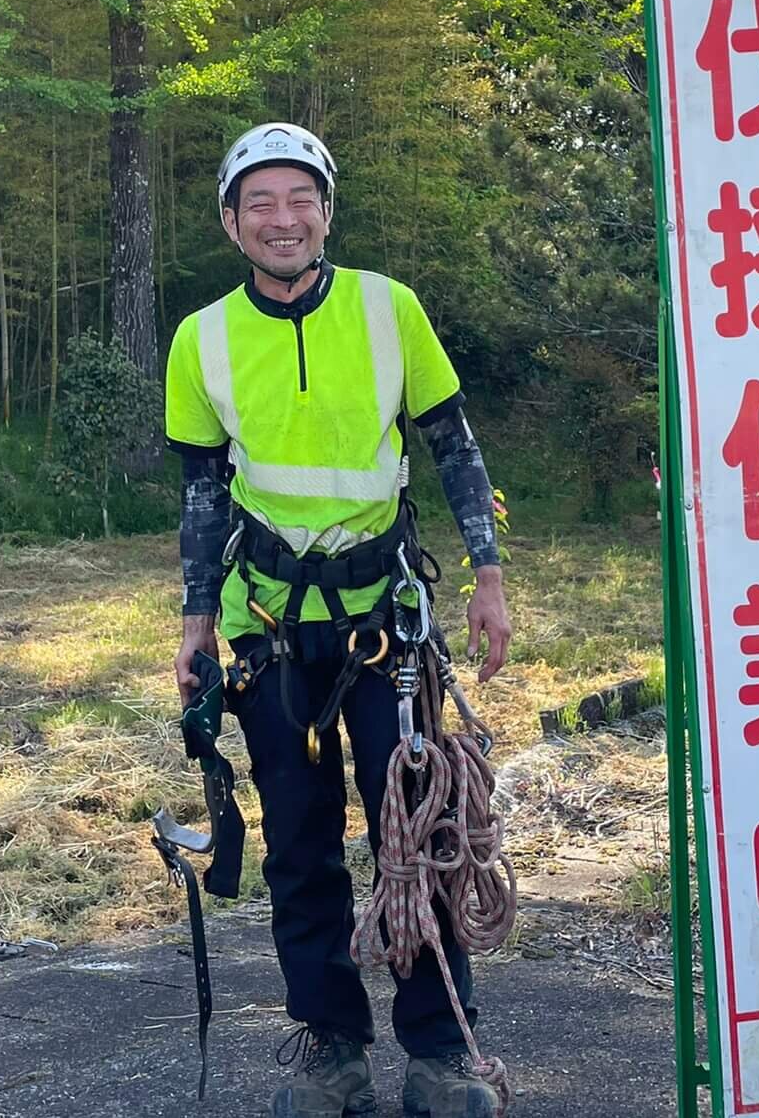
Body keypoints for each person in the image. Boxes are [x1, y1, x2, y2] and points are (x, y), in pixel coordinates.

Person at [165, 122, 512, 1118]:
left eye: (299, 198)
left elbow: (451, 442)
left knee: (416, 831)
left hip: (382, 624)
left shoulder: (387, 308)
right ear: (232, 224)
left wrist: (486, 577)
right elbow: (200, 492)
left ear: (327, 210)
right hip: (267, 627)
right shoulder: (204, 338)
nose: (283, 219)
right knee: (300, 843)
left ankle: (442, 1054)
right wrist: (193, 623)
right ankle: (332, 1051)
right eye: (260, 203)